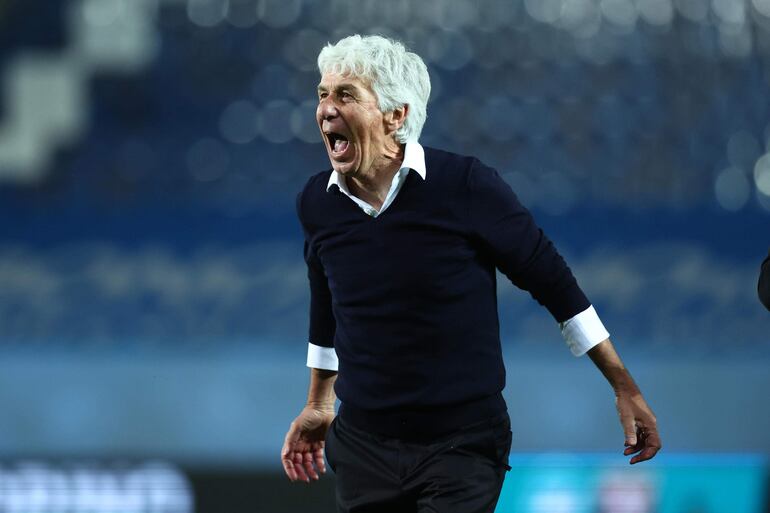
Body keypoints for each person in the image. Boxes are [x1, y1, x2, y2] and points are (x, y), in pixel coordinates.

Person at [281, 34, 661, 513]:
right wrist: (319, 403)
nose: (326, 109)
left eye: (346, 95)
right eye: (322, 94)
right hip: (363, 447)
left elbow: (557, 287)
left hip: (460, 447)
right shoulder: (317, 202)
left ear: (396, 116)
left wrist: (624, 386)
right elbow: (327, 305)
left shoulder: (465, 186)